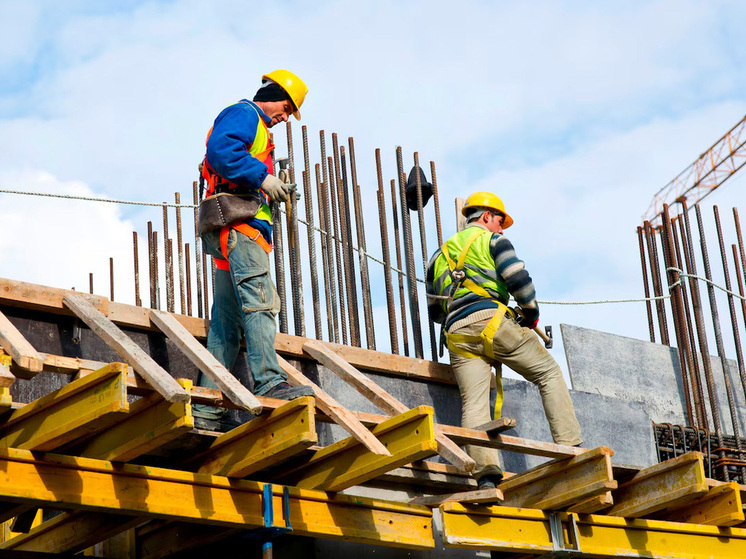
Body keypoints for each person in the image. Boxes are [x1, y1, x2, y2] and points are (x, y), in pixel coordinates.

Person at [426, 191, 582, 488]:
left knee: (473, 404)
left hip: (457, 334)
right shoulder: (493, 241)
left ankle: (486, 475)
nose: (501, 228)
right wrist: (530, 313)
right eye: (499, 221)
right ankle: (571, 448)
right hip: (493, 323)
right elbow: (518, 280)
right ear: (485, 217)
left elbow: (435, 311)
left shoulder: (437, 256)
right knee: (548, 373)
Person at [194, 70, 313, 431]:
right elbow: (221, 151)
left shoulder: (260, 128)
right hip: (239, 228)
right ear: (272, 94)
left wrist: (267, 183)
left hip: (231, 230)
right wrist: (263, 178)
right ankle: (270, 382)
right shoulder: (246, 114)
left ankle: (207, 408)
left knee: (226, 325)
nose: (285, 117)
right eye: (286, 107)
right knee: (261, 302)